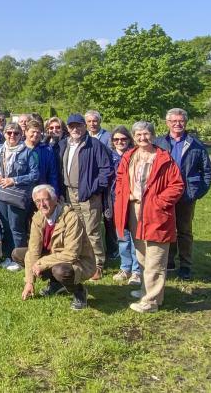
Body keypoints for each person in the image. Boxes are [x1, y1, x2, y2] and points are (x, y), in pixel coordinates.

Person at [114, 121, 184, 313]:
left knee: (156, 258)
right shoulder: (129, 156)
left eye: (146, 134)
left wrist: (158, 203)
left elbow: (177, 186)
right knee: (143, 256)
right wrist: (123, 194)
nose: (142, 138)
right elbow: (120, 178)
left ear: (152, 136)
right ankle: (148, 290)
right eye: (138, 135)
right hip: (134, 211)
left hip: (156, 213)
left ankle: (150, 302)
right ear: (133, 138)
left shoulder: (164, 159)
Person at [154, 108, 211, 280]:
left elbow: (207, 171)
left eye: (180, 121)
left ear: (185, 122)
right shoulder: (159, 143)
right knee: (167, 228)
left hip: (187, 194)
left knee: (184, 231)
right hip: (165, 194)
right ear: (167, 123)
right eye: (173, 121)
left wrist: (198, 192)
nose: (177, 124)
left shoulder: (196, 145)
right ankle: (169, 261)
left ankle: (186, 265)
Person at [16, 184, 95, 310]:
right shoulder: (38, 217)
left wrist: (42, 263)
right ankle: (56, 284)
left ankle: (79, 292)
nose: (42, 205)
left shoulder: (71, 218)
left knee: (60, 271)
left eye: (45, 200)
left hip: (79, 261)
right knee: (18, 254)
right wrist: (29, 282)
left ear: (55, 200)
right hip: (54, 256)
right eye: (37, 201)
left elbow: (71, 254)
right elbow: (33, 250)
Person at [58, 113, 113, 279]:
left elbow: (106, 169)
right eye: (72, 126)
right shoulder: (63, 144)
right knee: (76, 228)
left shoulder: (94, 145)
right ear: (67, 128)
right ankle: (82, 259)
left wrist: (94, 188)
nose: (75, 129)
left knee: (92, 230)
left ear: (84, 126)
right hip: (69, 193)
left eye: (78, 126)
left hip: (88, 194)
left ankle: (98, 265)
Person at [0, 122, 39, 271]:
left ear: (21, 135)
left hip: (16, 194)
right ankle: (8, 256)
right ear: (4, 134)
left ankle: (20, 260)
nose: (12, 136)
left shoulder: (28, 152)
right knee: (5, 226)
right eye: (9, 133)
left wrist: (14, 180)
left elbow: (34, 175)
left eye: (15, 133)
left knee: (16, 227)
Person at [107, 126, 140, 286]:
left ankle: (136, 271)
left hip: (133, 200)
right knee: (122, 236)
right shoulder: (109, 156)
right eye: (116, 139)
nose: (120, 142)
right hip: (115, 200)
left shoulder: (135, 155)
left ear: (129, 140)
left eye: (123, 139)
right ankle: (125, 267)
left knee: (135, 236)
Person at [28, 120, 61, 199]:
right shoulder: (20, 148)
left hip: (41, 193)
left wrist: (55, 193)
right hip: (22, 193)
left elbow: (53, 174)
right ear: (26, 132)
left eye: (38, 132)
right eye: (33, 132)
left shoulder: (48, 150)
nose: (35, 135)